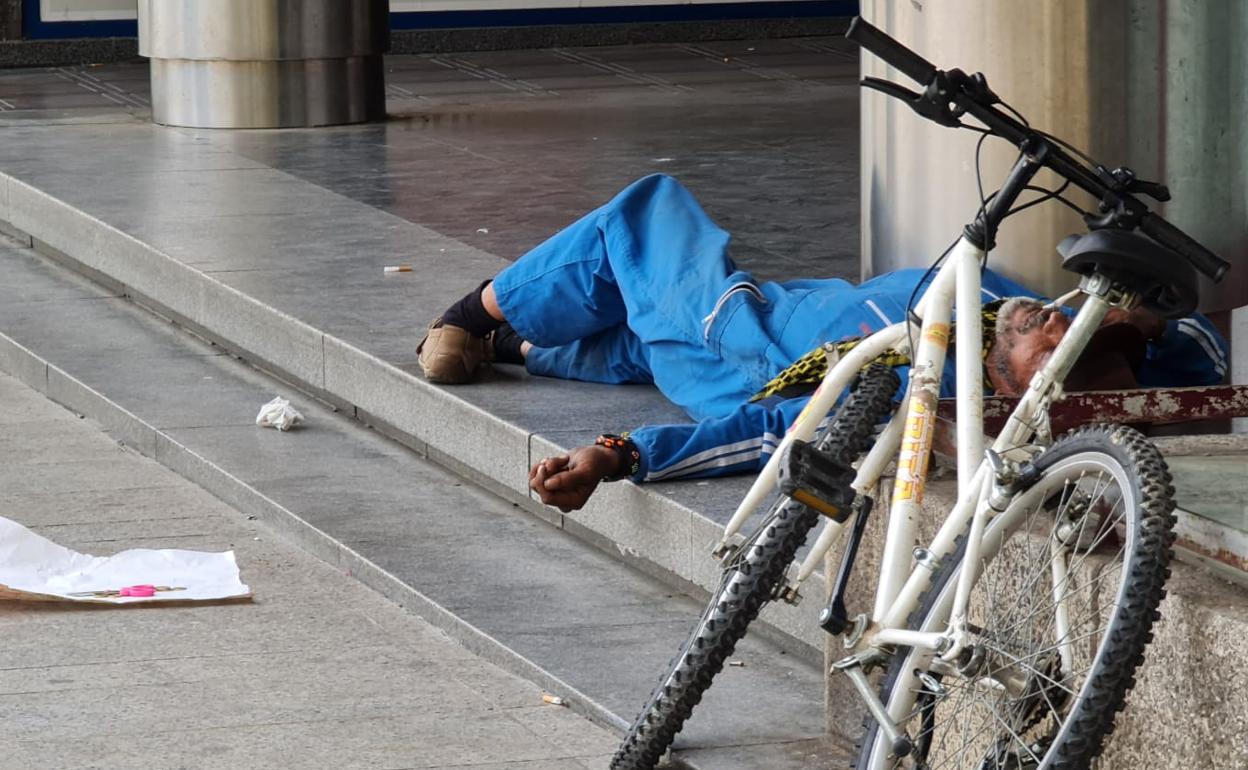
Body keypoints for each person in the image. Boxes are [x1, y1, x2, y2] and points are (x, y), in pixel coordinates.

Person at [417, 175, 1229, 512]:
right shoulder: (1018, 314)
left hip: (747, 339)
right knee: (645, 328)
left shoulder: (929, 385)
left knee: (648, 215)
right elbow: (1203, 347)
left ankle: (476, 312)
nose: (1048, 317)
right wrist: (1139, 325)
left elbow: (777, 434)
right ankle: (527, 350)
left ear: (1013, 394)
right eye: (1061, 314)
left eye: (1049, 343)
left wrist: (618, 455)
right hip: (748, 327)